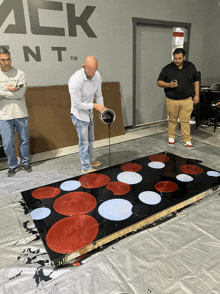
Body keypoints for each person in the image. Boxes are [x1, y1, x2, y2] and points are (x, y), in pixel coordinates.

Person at [68, 56, 106, 173]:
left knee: (91, 139)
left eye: (95, 71)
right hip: (79, 115)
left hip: (89, 113)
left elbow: (99, 95)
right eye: (91, 71)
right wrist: (95, 106)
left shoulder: (97, 75)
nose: (93, 74)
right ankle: (85, 167)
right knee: (84, 142)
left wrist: (102, 109)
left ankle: (88, 161)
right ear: (83, 67)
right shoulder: (75, 80)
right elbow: (78, 104)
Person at [157, 48, 200, 150]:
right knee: (172, 120)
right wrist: (169, 85)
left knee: (185, 121)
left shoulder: (190, 66)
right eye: (175, 58)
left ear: (184, 57)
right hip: (172, 100)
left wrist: (197, 95)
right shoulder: (167, 68)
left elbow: (196, 81)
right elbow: (158, 82)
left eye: (179, 58)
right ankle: (171, 138)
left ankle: (187, 140)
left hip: (187, 99)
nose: (177, 60)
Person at [0, 47, 32, 177]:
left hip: (20, 113)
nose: (6, 62)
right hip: (3, 115)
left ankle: (25, 162)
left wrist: (2, 93)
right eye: (3, 60)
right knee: (7, 142)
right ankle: (12, 165)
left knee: (24, 140)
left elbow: (20, 94)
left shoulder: (20, 74)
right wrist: (7, 91)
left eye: (8, 59)